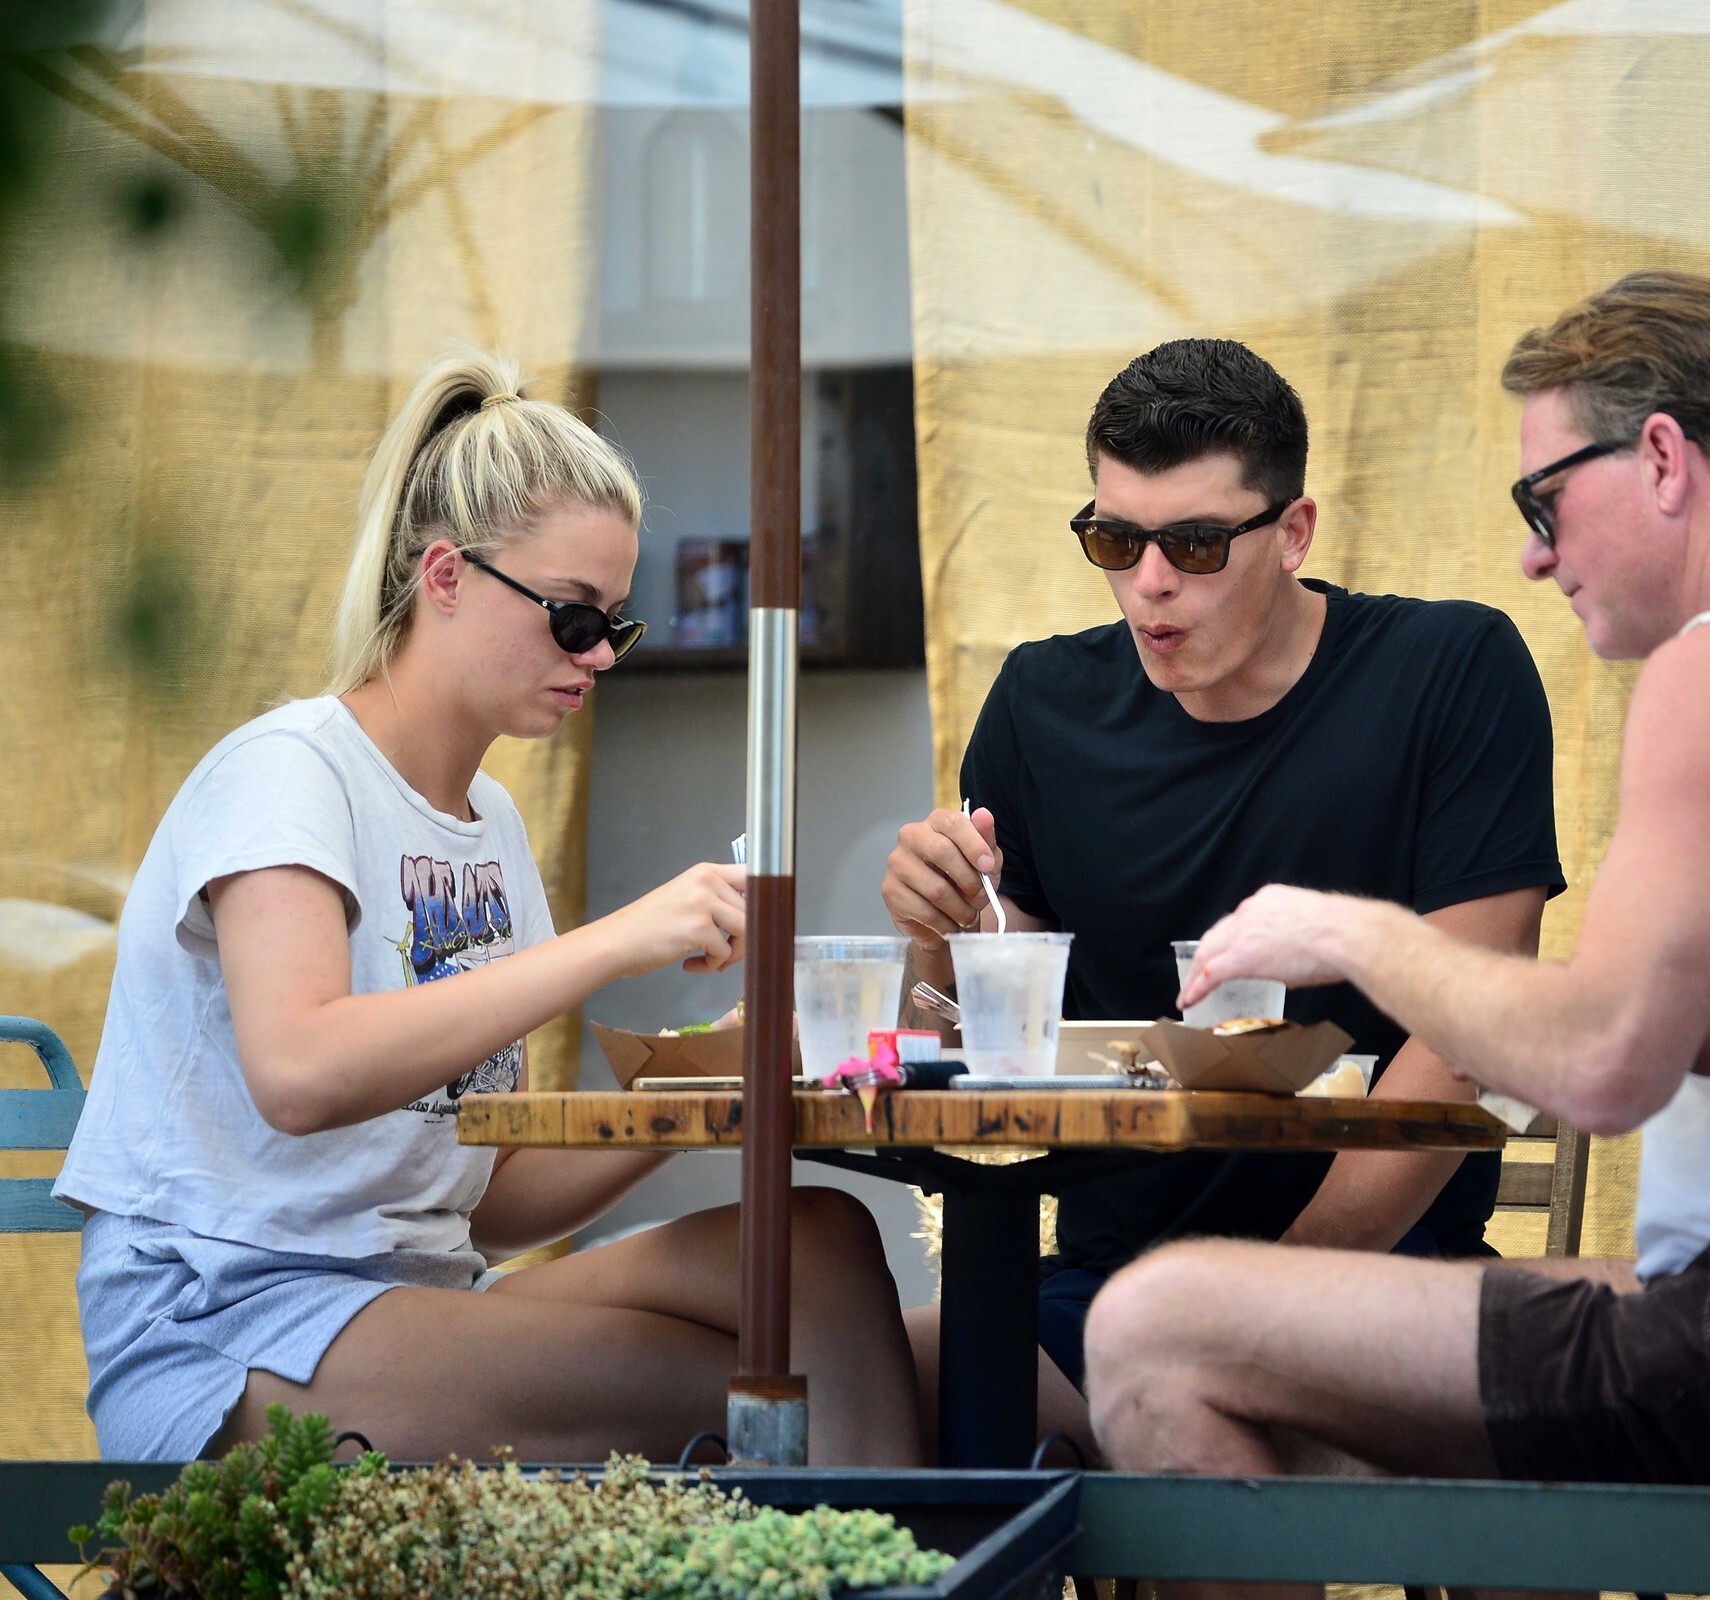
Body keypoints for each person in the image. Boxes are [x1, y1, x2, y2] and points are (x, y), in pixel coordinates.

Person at [53, 352, 923, 1468]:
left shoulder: (489, 822)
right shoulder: (288, 773)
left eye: (616, 624)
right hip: (224, 1323)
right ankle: (898, 1545)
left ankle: (896, 1541)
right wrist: (613, 942)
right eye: (572, 616)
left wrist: (725, 1076)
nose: (599, 655)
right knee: (774, 1393)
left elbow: (492, 1199)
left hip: (420, 1293)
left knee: (823, 1243)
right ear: (446, 576)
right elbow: (301, 1071)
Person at [881, 337, 1563, 1455]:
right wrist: (933, 937)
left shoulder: (1449, 670)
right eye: (1115, 540)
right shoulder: (1043, 702)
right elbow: (977, 1044)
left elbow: (1472, 1026)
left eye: (1195, 544)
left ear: (1293, 533)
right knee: (844, 1367)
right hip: (1106, 1282)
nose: (1150, 582)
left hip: (1377, 1275)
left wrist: (1258, 1302)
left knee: (1106, 1403)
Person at [1086, 269, 1710, 1487]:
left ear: (1660, 459)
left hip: (1692, 1339)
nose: (1534, 556)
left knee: (1153, 1321)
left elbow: (1602, 1062)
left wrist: (1353, 936)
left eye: (1544, 499)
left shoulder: (1697, 673)